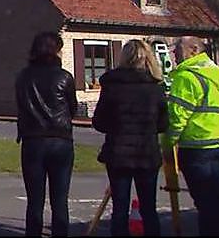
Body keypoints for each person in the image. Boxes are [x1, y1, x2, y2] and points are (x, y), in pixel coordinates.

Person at [92, 40, 168, 237]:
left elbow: (99, 121)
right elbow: (163, 124)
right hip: (146, 152)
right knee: (149, 207)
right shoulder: (155, 87)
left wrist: (117, 127)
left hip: (118, 153)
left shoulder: (113, 86)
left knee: (120, 207)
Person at [162, 36, 219, 237]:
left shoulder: (187, 77)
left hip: (196, 147)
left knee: (206, 204)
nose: (174, 54)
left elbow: (177, 118)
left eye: (178, 49)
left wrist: (167, 144)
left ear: (194, 49)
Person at [16, 31, 78, 237]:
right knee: (60, 200)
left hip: (33, 141)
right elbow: (72, 108)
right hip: (60, 141)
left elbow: (21, 106)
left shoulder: (23, 77)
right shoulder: (64, 77)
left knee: (35, 200)